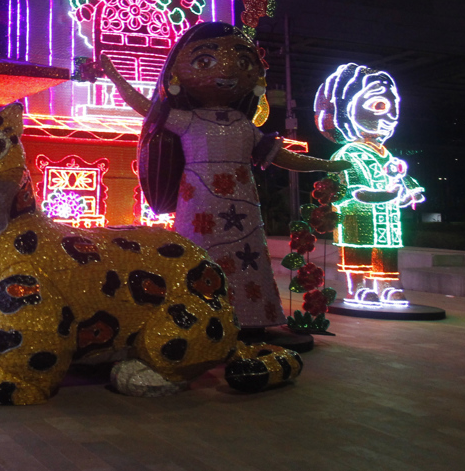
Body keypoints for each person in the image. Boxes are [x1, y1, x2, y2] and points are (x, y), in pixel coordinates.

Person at [100, 22, 349, 339]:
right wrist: (114, 75)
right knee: (197, 254)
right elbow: (144, 107)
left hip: (243, 206)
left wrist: (326, 164)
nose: (228, 71)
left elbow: (285, 157)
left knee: (249, 259)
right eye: (204, 61)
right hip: (197, 203)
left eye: (244, 62)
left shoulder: (244, 126)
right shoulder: (187, 120)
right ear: (175, 73)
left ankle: (250, 318)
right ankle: (194, 314)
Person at [314, 63, 424, 305]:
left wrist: (407, 196)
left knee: (384, 257)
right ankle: (359, 287)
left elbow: (401, 190)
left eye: (393, 106)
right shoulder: (347, 154)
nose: (391, 115)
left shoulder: (388, 155)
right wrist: (391, 194)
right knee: (357, 254)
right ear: (345, 110)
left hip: (387, 223)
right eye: (379, 105)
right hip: (357, 220)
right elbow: (358, 193)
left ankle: (387, 287)